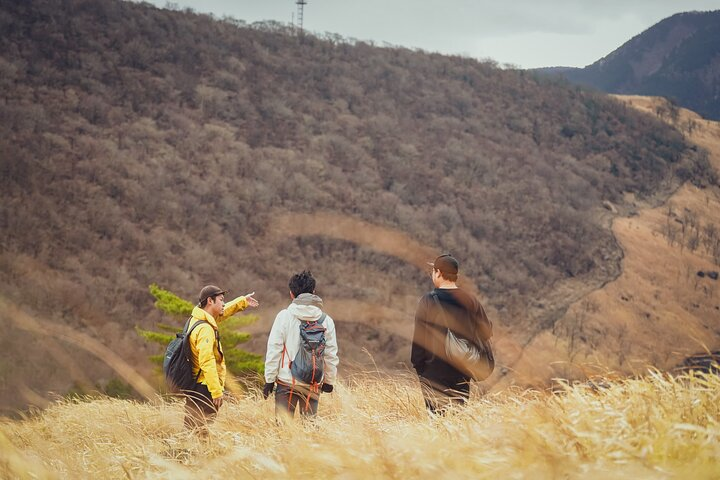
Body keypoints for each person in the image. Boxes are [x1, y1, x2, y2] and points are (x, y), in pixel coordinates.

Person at [411, 254, 492, 414]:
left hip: (433, 372)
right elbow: (486, 332)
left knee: (437, 422)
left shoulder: (428, 301)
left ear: (439, 273)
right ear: (456, 275)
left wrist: (419, 367)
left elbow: (419, 340)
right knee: (457, 421)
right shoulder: (470, 301)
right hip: (461, 370)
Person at [263, 271, 339, 418]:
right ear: (314, 292)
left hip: (286, 381)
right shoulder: (326, 320)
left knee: (284, 429)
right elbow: (330, 354)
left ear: (292, 294)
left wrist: (269, 380)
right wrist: (330, 381)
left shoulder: (284, 316)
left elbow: (274, 350)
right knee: (309, 428)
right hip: (313, 382)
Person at [184, 285, 259, 431]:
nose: (224, 303)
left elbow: (223, 312)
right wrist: (216, 391)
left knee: (191, 431)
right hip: (204, 389)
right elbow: (207, 362)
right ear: (210, 301)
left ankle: (185, 451)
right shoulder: (205, 329)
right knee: (201, 433)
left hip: (195, 385)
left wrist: (242, 301)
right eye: (221, 300)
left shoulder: (198, 319)